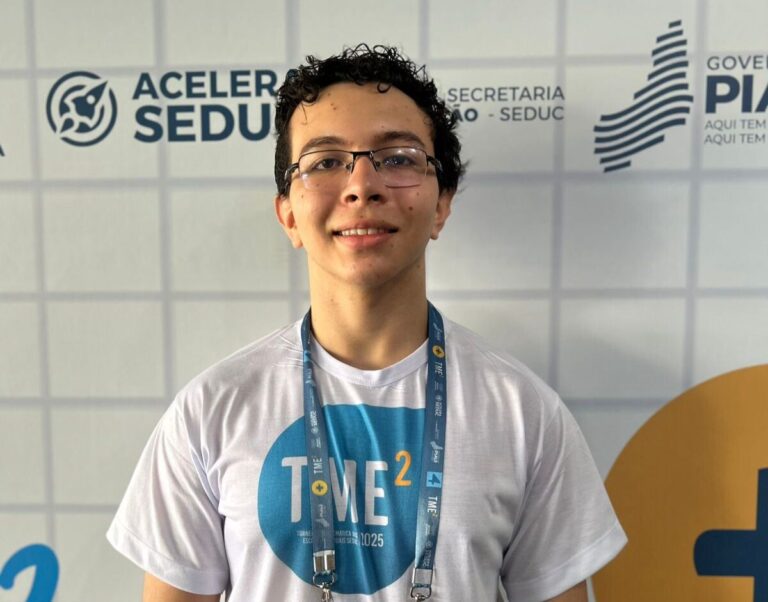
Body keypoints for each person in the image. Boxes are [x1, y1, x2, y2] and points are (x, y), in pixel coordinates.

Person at [107, 44, 626, 602]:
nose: (361, 185)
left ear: (441, 205)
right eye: (326, 162)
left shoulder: (524, 414)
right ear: (289, 215)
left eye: (398, 158)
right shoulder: (211, 410)